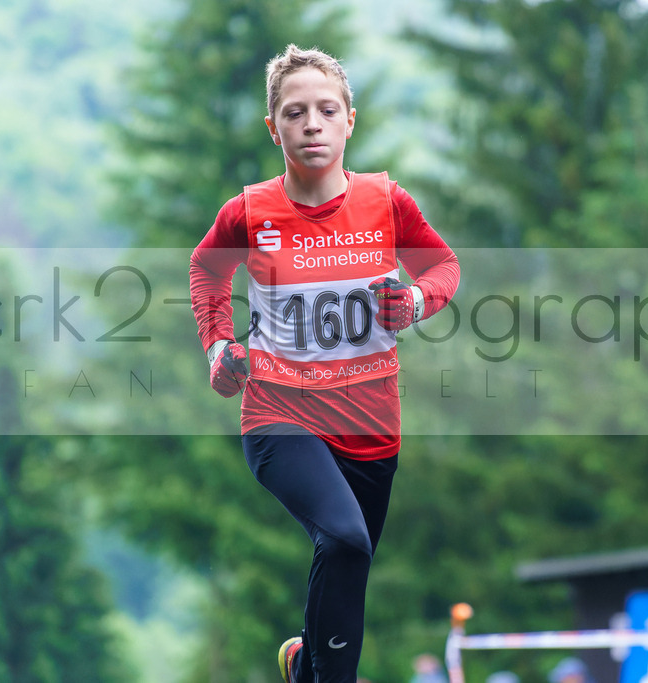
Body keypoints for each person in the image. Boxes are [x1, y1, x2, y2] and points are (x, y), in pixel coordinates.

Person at [189, 44, 460, 683]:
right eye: (294, 113)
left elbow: (444, 267)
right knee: (344, 539)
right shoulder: (250, 211)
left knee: (349, 561)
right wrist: (218, 346)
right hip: (279, 414)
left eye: (325, 110)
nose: (311, 123)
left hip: (371, 425)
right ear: (273, 127)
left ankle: (305, 666)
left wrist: (416, 301)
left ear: (349, 121)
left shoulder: (386, 202)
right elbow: (206, 269)